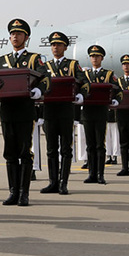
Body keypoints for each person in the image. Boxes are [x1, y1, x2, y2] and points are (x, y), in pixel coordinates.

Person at [0, 19, 46, 206]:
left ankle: (24, 193)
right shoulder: (2, 60)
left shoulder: (34, 59)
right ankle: (13, 191)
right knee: (10, 153)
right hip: (7, 110)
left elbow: (45, 79)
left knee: (25, 152)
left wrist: (38, 91)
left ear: (26, 37)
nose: (15, 36)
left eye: (19, 34)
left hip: (25, 111)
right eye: (12, 34)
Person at [40, 32, 89, 195]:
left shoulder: (73, 65)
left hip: (66, 110)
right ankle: (52, 181)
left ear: (65, 47)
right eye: (53, 45)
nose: (55, 47)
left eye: (59, 44)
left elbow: (85, 83)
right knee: (51, 148)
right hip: (49, 110)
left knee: (66, 148)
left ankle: (63, 182)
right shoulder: (44, 67)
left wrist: (81, 94)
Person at [81, 46, 122, 185]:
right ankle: (91, 174)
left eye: (97, 56)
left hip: (101, 112)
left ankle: (100, 174)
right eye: (92, 56)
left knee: (100, 145)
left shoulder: (109, 75)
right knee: (90, 145)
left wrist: (116, 101)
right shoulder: (84, 75)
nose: (94, 58)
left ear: (102, 58)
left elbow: (119, 91)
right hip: (87, 112)